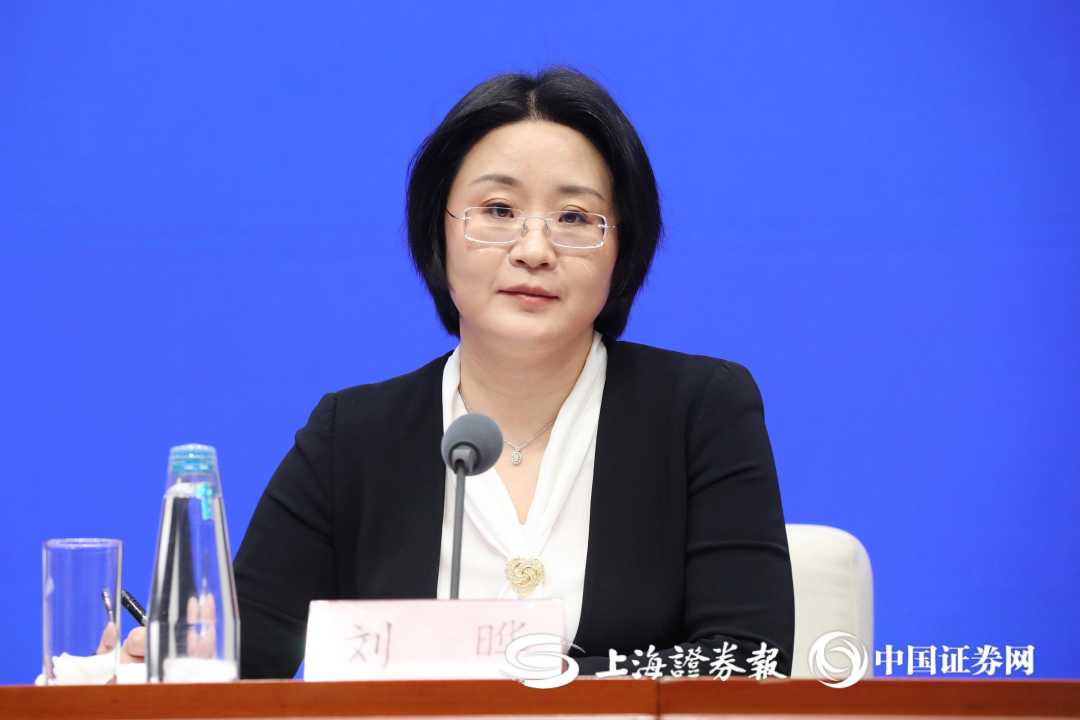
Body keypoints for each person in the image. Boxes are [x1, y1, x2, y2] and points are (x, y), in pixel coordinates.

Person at [115, 66, 795, 679]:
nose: (534, 249)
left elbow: (746, 659)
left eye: (574, 217)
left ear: (624, 245)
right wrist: (173, 660)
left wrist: (534, 681)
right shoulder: (352, 436)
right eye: (498, 211)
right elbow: (241, 660)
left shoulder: (699, 410)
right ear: (437, 231)